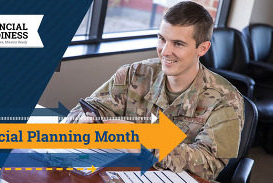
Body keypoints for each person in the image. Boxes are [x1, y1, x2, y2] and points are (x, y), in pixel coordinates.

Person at [63, 1, 244, 181]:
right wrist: (83, 122)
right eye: (162, 39)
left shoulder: (226, 99)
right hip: (122, 174)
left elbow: (208, 166)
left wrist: (143, 142)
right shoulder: (133, 74)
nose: (165, 51)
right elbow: (88, 109)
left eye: (178, 44)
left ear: (202, 48)